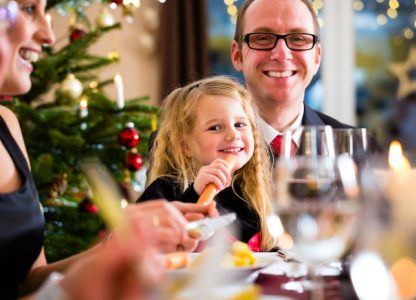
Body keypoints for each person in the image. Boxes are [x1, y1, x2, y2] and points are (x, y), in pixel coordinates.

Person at [0, 0, 215, 298]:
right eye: (27, 9)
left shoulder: (7, 124)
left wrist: (119, 246)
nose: (49, 35)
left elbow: (29, 280)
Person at [138, 76, 276, 252]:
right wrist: (195, 194)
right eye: (215, 127)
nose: (233, 135)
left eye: (240, 124)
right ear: (185, 146)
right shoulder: (164, 190)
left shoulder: (256, 193)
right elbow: (139, 247)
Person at [230, 0, 352, 156]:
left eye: (298, 39)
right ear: (237, 55)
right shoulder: (200, 154)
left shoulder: (357, 149)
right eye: (262, 38)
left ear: (317, 57)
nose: (281, 55)